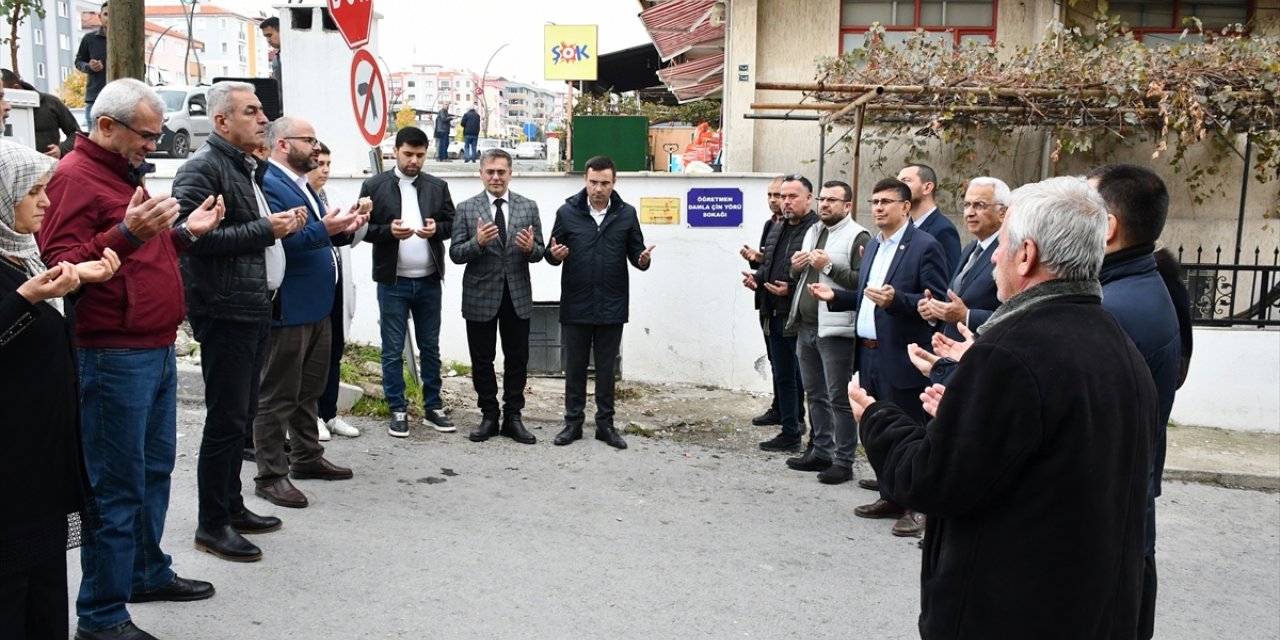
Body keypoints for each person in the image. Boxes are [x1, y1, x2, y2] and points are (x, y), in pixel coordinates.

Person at [851, 176, 1156, 639]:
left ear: (1027, 255)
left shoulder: (1012, 352)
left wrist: (876, 419)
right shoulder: (1116, 342)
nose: (993, 255)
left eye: (1004, 243)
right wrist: (963, 395)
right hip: (1091, 608)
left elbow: (933, 481)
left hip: (1014, 611)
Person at [37, 78, 228, 640]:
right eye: (145, 135)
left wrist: (183, 235)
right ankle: (100, 616)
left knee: (150, 473)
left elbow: (142, 254)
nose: (153, 143)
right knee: (116, 487)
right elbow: (59, 267)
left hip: (149, 345)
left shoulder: (120, 173)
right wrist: (126, 231)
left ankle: (143, 572)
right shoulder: (75, 178)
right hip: (111, 353)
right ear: (105, 127)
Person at [173, 81, 305, 563]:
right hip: (225, 310)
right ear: (222, 122)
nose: (263, 118)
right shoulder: (202, 168)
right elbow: (190, 238)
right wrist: (264, 230)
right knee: (226, 420)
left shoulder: (247, 166)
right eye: (251, 111)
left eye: (263, 110)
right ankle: (212, 524)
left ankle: (231, 506)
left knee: (242, 416)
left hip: (252, 306)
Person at [0, 142, 119, 640]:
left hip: (44, 449)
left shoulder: (23, 252)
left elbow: (40, 326)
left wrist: (78, 282)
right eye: (32, 192)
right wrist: (29, 297)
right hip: (9, 459)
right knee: (11, 582)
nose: (45, 203)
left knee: (47, 580)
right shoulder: (17, 272)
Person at [813, 177, 947, 538]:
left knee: (910, 430)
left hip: (903, 356)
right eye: (874, 202)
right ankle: (890, 494)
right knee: (875, 427)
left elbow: (933, 305)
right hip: (868, 353)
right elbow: (866, 294)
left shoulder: (925, 246)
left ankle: (917, 507)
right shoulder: (873, 246)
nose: (878, 208)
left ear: (905, 207)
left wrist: (898, 301)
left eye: (886, 201)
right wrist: (836, 297)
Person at [1087, 163, 1184, 640]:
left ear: (1107, 227)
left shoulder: (1110, 310)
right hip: (1123, 503)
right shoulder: (1135, 285)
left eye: (1079, 210)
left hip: (1104, 518)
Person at [253, 117, 364, 510]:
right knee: (278, 395)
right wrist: (326, 229)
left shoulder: (302, 184)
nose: (316, 148)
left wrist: (347, 226)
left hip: (318, 306)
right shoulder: (270, 182)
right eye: (309, 140)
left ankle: (306, 457)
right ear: (283, 144)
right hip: (289, 308)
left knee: (309, 391)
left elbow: (320, 235)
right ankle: (270, 475)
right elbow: (279, 241)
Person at [546, 155, 654, 450]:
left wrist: (643, 260)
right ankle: (573, 424)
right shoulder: (566, 212)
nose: (598, 188)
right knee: (576, 367)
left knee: (607, 369)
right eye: (593, 182)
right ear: (586, 180)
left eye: (605, 183)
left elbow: (636, 253)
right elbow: (551, 252)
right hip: (576, 303)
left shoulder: (626, 214)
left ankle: (606, 425)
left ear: (614, 183)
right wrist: (553, 256)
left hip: (612, 304)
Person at [359, 125, 456, 437]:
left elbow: (451, 224)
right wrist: (389, 232)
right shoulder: (374, 186)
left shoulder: (437, 186)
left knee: (430, 347)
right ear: (395, 152)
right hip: (393, 282)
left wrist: (435, 230)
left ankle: (433, 407)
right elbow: (359, 229)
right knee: (391, 350)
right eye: (408, 154)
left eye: (420, 155)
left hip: (429, 281)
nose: (414, 160)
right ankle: (397, 409)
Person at [450, 147, 545, 444]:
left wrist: (531, 248)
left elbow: (540, 251)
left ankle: (513, 416)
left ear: (510, 174)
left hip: (517, 295)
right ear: (480, 174)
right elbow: (455, 253)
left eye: (501, 172)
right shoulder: (466, 208)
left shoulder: (528, 207)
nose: (495, 177)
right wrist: (477, 243)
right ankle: (489, 414)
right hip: (480, 295)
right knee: (482, 359)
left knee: (517, 359)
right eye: (490, 172)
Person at [784, 180, 870, 485]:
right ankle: (821, 450)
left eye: (832, 200)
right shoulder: (813, 231)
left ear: (847, 206)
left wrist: (830, 267)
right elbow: (801, 275)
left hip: (836, 330)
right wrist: (795, 267)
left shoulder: (858, 236)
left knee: (838, 398)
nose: (824, 205)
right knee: (815, 394)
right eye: (822, 199)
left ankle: (844, 460)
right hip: (807, 325)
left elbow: (864, 284)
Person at [743, 174, 818, 453]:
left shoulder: (817, 229)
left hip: (800, 315)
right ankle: (790, 431)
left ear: (809, 198)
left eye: (792, 196)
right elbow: (770, 265)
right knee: (783, 374)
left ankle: (818, 439)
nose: (785, 202)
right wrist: (757, 280)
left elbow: (819, 275)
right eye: (782, 196)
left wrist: (793, 288)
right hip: (772, 310)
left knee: (809, 380)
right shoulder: (776, 227)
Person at [309, 141, 365, 440]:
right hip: (311, 289)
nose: (326, 170)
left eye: (329, 164)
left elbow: (350, 242)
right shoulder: (300, 197)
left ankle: (329, 414)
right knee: (310, 357)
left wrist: (357, 221)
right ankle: (311, 416)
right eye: (320, 163)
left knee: (333, 353)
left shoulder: (335, 196)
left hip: (337, 285)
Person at [917, 176, 1008, 340]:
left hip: (983, 353)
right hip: (951, 353)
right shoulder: (970, 248)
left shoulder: (1008, 252)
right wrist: (935, 311)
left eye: (979, 205)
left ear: (1002, 212)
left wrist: (967, 316)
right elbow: (956, 303)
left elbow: (1015, 314)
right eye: (966, 205)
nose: (970, 212)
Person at [1, 69, 82, 158]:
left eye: (3, 96)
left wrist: (61, 149)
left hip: (49, 166)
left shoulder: (51, 103)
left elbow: (76, 134)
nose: (6, 105)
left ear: (16, 88)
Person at [897, 163, 961, 274]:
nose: (898, 188)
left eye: (906, 181)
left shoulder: (944, 230)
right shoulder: (904, 229)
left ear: (927, 187)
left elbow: (948, 279)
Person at [74, 2, 109, 131]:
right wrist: (89, 66)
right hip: (95, 98)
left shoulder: (128, 39)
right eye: (106, 14)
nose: (109, 18)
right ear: (100, 16)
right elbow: (78, 62)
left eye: (113, 15)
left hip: (122, 98)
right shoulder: (89, 39)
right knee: (94, 139)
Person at [259, 17, 282, 105]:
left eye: (269, 35)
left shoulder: (292, 56)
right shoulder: (276, 58)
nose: (268, 40)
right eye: (266, 37)